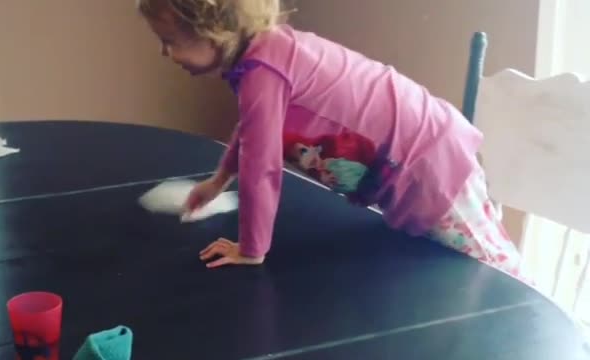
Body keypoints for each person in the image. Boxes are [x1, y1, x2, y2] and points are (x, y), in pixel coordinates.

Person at [136, 0, 524, 278]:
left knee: (490, 272)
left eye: (171, 40)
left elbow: (262, 166)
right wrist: (219, 181)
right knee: (452, 269)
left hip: (427, 166)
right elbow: (255, 130)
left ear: (211, 30)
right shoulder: (268, 54)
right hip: (427, 152)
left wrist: (251, 249)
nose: (165, 53)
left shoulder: (262, 72)